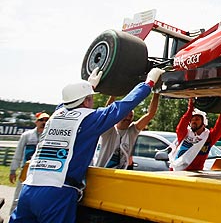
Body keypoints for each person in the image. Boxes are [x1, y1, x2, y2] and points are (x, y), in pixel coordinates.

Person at [9, 67, 164, 223]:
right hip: (57, 191)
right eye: (91, 98)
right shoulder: (88, 119)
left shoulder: (56, 114)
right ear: (86, 101)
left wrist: (89, 85)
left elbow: (68, 102)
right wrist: (148, 83)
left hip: (29, 188)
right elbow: (123, 105)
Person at [94, 92, 160, 169]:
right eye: (125, 115)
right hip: (101, 171)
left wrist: (156, 93)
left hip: (120, 174)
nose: (128, 118)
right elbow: (107, 115)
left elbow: (150, 114)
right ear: (119, 115)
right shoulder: (109, 131)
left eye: (131, 115)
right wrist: (114, 93)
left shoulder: (131, 132)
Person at [169, 98, 221, 171]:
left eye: (197, 119)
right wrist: (190, 108)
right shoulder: (185, 133)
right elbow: (182, 124)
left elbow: (220, 128)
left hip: (196, 173)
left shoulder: (209, 137)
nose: (193, 121)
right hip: (177, 171)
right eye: (192, 120)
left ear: (203, 123)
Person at [8, 112, 49, 212]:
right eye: (41, 120)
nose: (44, 122)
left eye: (46, 120)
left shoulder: (50, 137)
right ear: (36, 122)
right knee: (18, 197)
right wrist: (13, 170)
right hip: (25, 170)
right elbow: (18, 154)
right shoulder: (27, 135)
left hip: (41, 172)